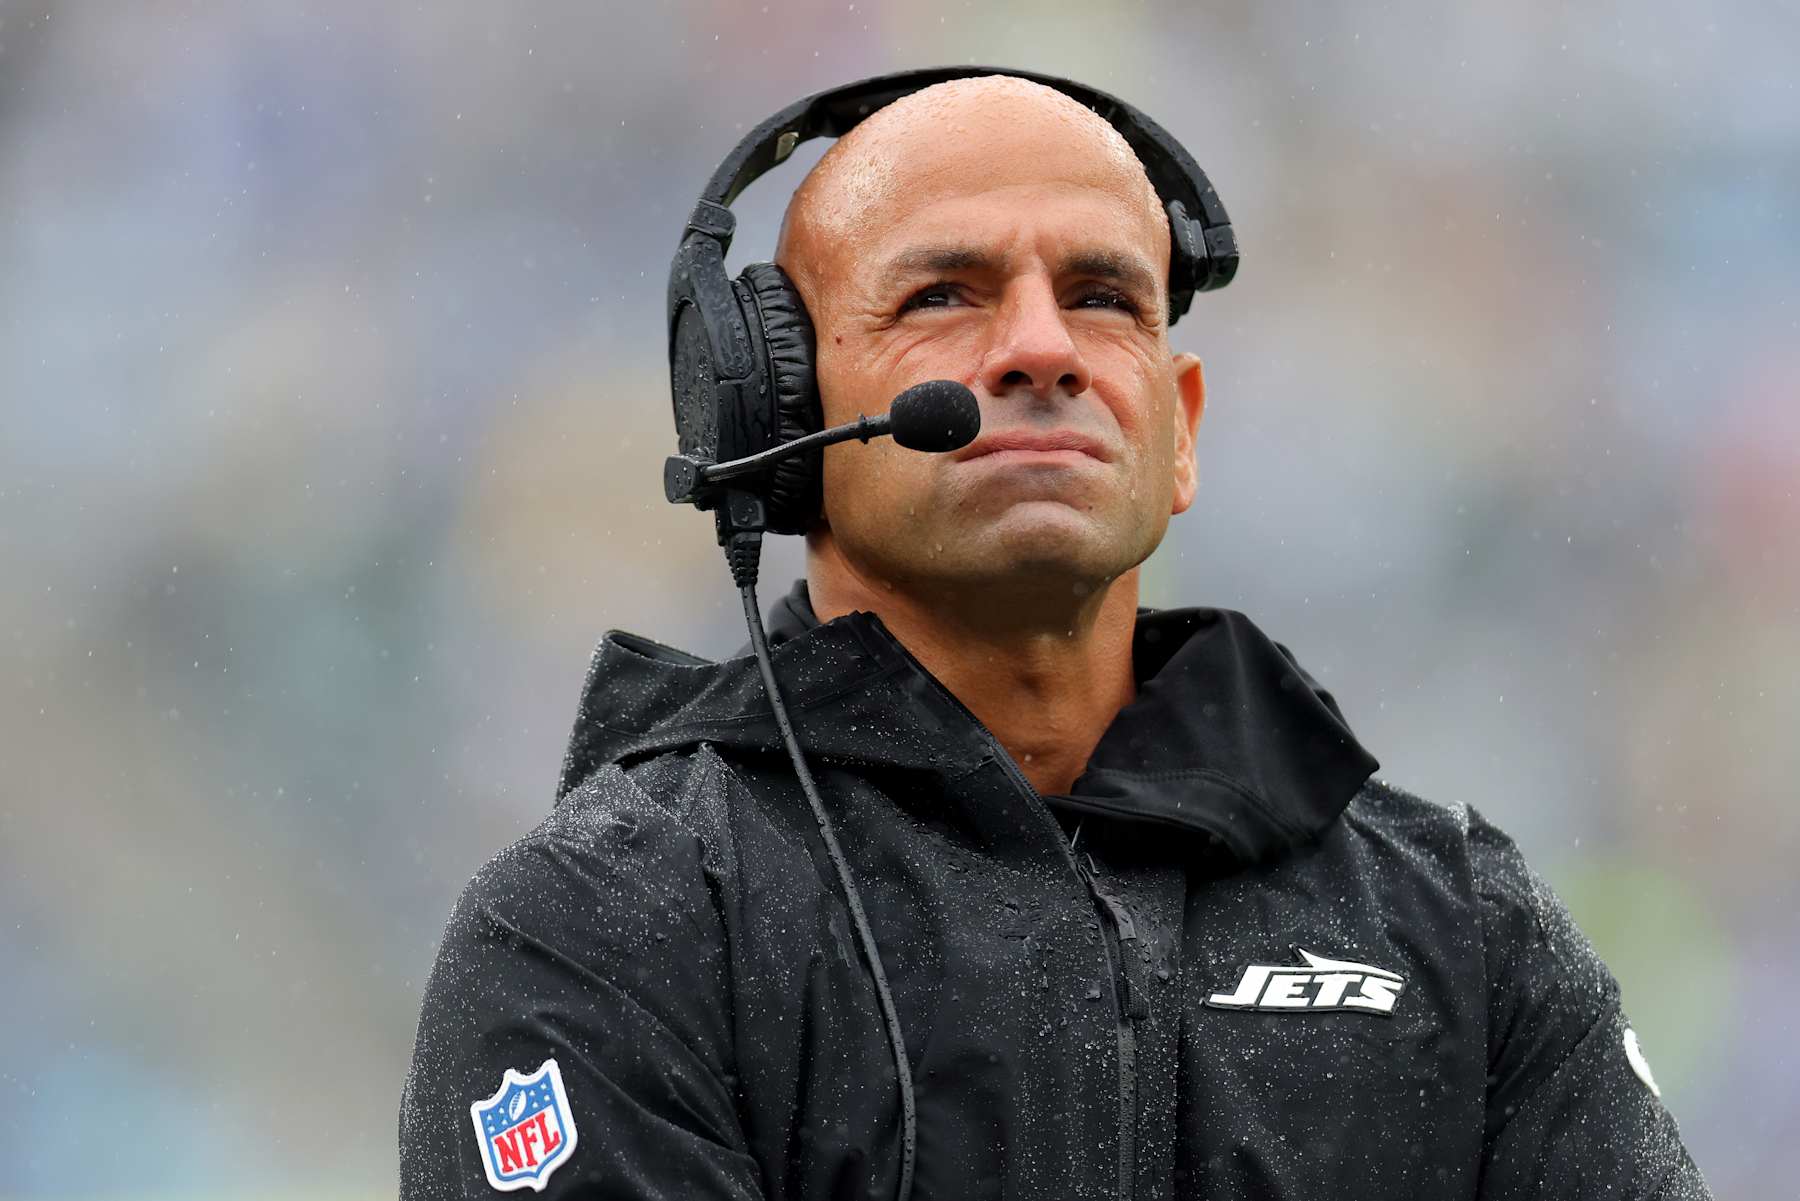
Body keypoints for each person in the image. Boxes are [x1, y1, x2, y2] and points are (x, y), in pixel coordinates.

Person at [399, 70, 1711, 1199]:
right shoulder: (602, 930)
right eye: (943, 296)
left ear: (1180, 425)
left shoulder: (1461, 930)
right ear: (775, 417)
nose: (1041, 347)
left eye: (1102, 296)